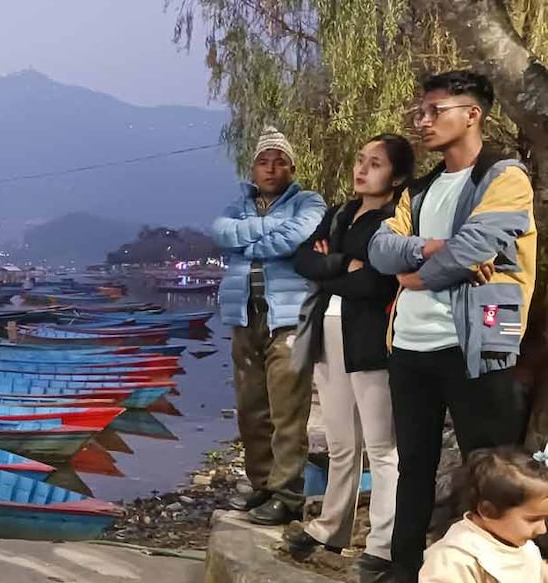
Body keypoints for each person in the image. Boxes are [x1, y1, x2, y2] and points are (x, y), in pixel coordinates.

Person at [368, 71, 538, 582]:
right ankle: (405, 567)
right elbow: (380, 250)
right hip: (410, 346)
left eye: (435, 111)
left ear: (472, 114)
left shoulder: (504, 178)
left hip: (476, 344)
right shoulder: (418, 191)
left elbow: (474, 247)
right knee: (414, 465)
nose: (422, 121)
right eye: (419, 112)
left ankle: (495, 569)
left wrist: (415, 273)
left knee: (489, 469)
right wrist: (431, 247)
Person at [286, 134, 413, 580]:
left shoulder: (394, 219)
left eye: (375, 164)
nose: (362, 169)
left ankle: (382, 544)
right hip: (328, 329)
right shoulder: (341, 212)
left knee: (381, 447)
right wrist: (343, 264)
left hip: (371, 337)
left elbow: (377, 284)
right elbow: (303, 260)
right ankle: (330, 527)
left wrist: (330, 269)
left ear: (396, 176)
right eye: (361, 160)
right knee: (341, 442)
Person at [212, 126, 327, 525]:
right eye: (264, 161)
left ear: (292, 168)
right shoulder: (238, 205)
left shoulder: (308, 202)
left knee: (287, 409)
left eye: (280, 162)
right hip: (245, 317)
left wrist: (247, 243)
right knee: (251, 408)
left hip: (288, 319)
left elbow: (295, 237)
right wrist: (267, 229)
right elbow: (220, 233)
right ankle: (261, 483)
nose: (271, 168)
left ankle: (288, 493)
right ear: (253, 168)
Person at [419, 446, 548, 582]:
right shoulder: (454, 560)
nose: (543, 529)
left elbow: (536, 571)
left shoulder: (520, 543)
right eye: (533, 520)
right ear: (488, 511)